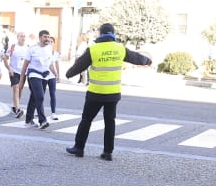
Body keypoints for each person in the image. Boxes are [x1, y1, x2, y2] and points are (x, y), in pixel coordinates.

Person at [64, 23, 153, 161]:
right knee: (110, 122)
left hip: (95, 93)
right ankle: (107, 153)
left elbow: (79, 65)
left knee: (86, 120)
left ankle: (79, 148)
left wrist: (68, 74)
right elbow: (135, 57)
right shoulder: (120, 48)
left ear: (100, 34)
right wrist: (147, 60)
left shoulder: (93, 49)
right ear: (113, 33)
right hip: (113, 93)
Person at [20, 29, 56, 129]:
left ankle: (28, 120)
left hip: (44, 75)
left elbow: (50, 63)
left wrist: (56, 74)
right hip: (33, 74)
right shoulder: (32, 48)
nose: (47, 39)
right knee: (40, 97)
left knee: (34, 98)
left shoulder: (49, 48)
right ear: (40, 38)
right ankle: (42, 121)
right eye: (45, 37)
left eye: (48, 37)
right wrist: (21, 80)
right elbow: (25, 65)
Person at [7, 30, 32, 117]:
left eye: (24, 36)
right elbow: (6, 57)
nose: (23, 38)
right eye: (21, 36)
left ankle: (14, 106)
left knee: (20, 89)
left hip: (23, 72)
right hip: (14, 71)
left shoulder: (28, 48)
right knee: (16, 88)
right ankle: (18, 109)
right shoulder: (13, 46)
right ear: (17, 38)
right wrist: (9, 68)